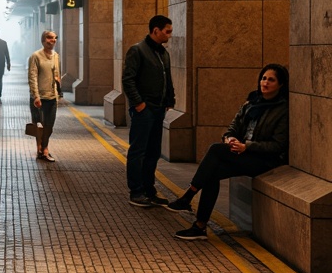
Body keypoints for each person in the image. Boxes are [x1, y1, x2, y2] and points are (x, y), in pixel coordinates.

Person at [169, 64, 289, 240]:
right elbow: (233, 127)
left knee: (215, 150)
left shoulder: (282, 110)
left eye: (271, 80)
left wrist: (247, 146)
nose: (265, 83)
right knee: (212, 173)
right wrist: (229, 138)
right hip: (243, 153)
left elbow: (277, 145)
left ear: (281, 85)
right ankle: (200, 226)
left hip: (264, 160)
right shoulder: (251, 103)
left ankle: (189, 196)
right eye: (263, 78)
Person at [123, 14, 175, 207]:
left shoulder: (163, 53)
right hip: (144, 109)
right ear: (156, 30)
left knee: (153, 151)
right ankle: (136, 191)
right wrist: (139, 104)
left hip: (159, 108)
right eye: (167, 31)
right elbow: (128, 79)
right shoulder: (137, 51)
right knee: (138, 151)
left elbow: (167, 78)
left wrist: (170, 99)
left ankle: (149, 189)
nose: (169, 35)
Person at [27, 30, 61, 162]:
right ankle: (41, 150)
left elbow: (57, 75)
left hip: (52, 97)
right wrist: (36, 96)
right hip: (39, 97)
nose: (52, 40)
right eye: (49, 38)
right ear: (43, 40)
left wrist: (58, 92)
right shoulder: (35, 56)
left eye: (54, 38)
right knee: (39, 126)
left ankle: (44, 147)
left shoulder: (56, 56)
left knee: (49, 125)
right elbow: (32, 76)